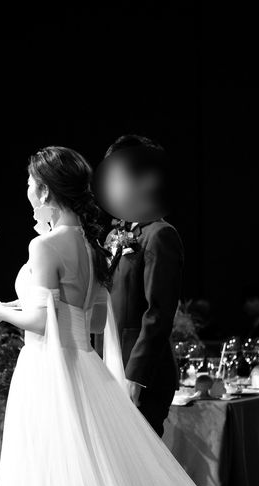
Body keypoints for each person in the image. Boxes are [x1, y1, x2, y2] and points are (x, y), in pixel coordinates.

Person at [0, 146, 259, 486]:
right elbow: (92, 318)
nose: (25, 189)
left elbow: (42, 321)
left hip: (47, 369)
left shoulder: (43, 245)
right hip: (84, 368)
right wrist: (18, 305)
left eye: (29, 182)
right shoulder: (90, 246)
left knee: (49, 475)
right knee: (85, 474)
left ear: (44, 190)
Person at [99, 135, 183, 436]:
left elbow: (158, 313)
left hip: (143, 372)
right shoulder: (113, 236)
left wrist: (136, 375)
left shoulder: (159, 234)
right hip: (110, 362)